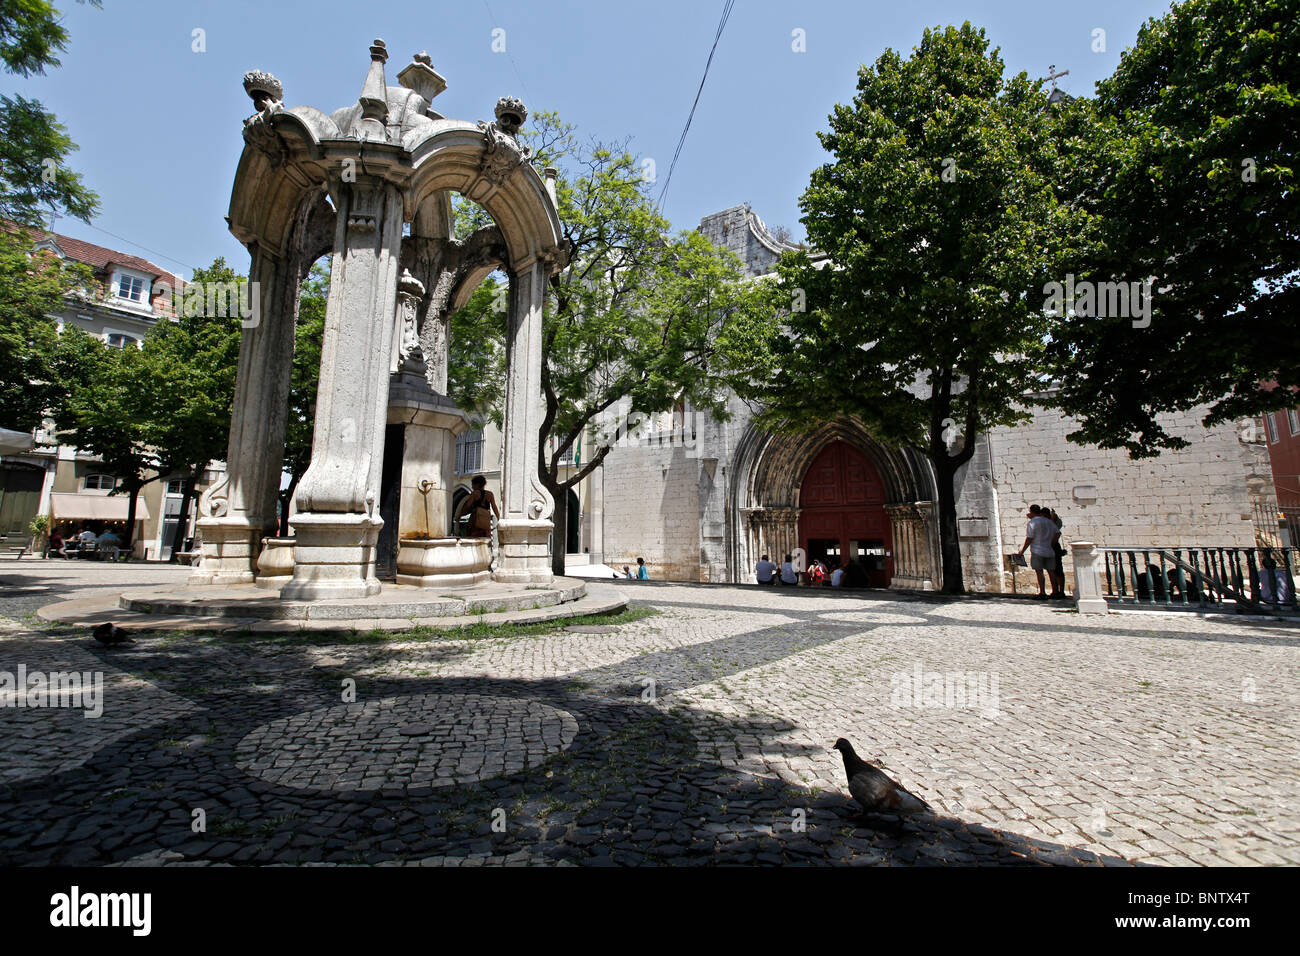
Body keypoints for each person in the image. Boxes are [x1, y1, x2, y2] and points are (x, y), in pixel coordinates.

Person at [1016, 504, 1059, 599]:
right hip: (1049, 549)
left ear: (1031, 511)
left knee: (1039, 571)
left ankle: (1043, 592)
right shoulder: (1049, 522)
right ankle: (1055, 591)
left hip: (1037, 550)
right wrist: (1052, 544)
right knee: (1051, 571)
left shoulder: (1032, 523)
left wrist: (1022, 551)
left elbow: (1029, 538)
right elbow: (1057, 533)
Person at [1046, 507, 1067, 598]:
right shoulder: (1047, 524)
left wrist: (1051, 543)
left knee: (1058, 570)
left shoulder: (1055, 524)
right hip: (1049, 547)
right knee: (1051, 570)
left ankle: (1061, 591)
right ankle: (1055, 590)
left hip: (1054, 547)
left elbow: (1058, 531)